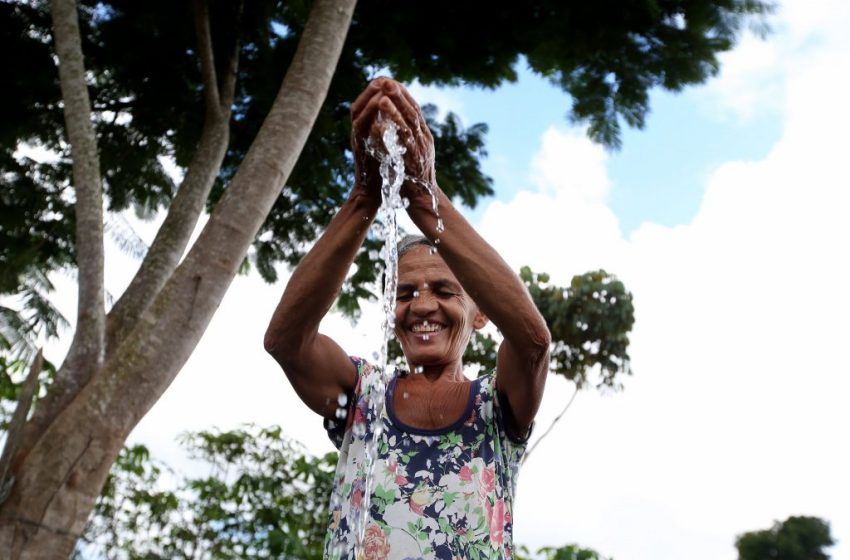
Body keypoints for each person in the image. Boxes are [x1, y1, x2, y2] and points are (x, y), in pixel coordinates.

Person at [264, 78, 550, 559]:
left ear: (480, 313)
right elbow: (286, 341)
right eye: (404, 293)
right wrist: (363, 198)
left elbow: (533, 343)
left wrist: (424, 196)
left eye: (444, 290)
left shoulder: (497, 406)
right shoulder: (360, 397)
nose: (420, 306)